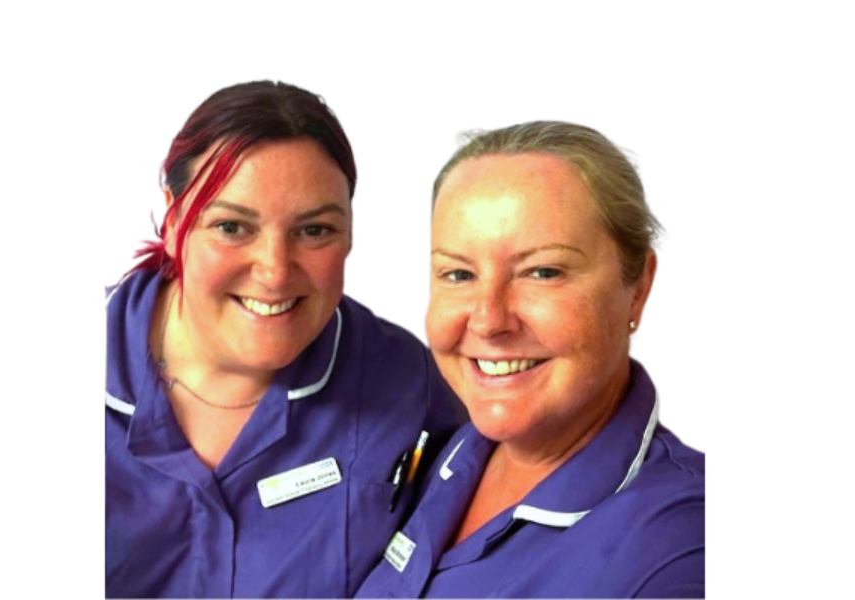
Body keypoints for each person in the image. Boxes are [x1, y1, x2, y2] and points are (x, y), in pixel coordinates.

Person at [103, 79, 465, 599]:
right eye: (232, 227)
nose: (275, 272)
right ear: (175, 220)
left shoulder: (414, 381)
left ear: (352, 231)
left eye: (314, 230)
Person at [355, 119, 706, 599]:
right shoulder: (444, 452)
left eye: (543, 271)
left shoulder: (677, 551)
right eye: (458, 274)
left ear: (640, 288)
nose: (488, 321)